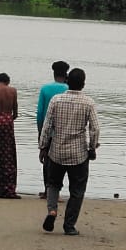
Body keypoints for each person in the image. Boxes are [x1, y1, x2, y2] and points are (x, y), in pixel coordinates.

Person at [38, 67, 99, 235]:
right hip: (78, 154)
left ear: (67, 82)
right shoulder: (88, 102)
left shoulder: (56, 100)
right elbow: (95, 129)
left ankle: (52, 210)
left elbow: (47, 125)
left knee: (53, 184)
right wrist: (92, 148)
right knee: (77, 190)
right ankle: (69, 225)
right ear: (83, 84)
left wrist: (43, 146)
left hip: (56, 151)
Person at [35, 60, 70, 197]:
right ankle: (57, 190)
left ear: (54, 72)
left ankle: (47, 190)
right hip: (65, 132)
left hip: (48, 131)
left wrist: (40, 133)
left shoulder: (45, 89)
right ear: (66, 73)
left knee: (47, 161)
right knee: (61, 163)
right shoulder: (69, 89)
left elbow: (39, 113)